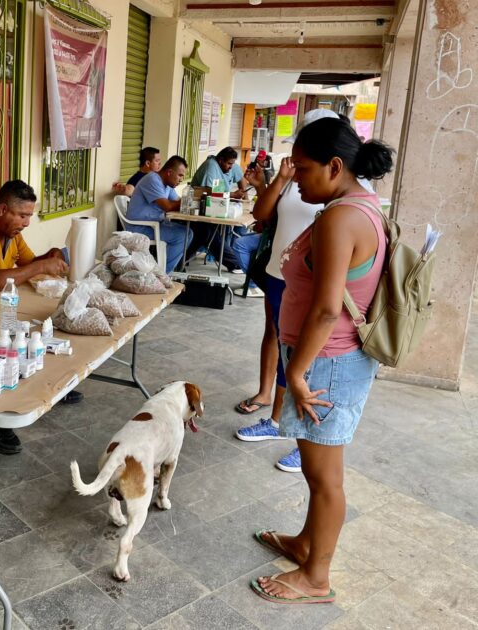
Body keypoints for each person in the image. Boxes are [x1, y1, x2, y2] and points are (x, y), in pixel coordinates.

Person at [251, 117, 393, 604]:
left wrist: (294, 370)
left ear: (336, 166)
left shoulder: (339, 217)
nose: (298, 177)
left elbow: (329, 307)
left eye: (305, 169)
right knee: (317, 470)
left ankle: (317, 578)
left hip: (327, 362)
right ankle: (307, 543)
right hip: (330, 358)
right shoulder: (359, 205)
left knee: (325, 476)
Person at [235, 110, 338, 473]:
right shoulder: (297, 173)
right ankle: (276, 414)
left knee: (306, 355)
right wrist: (280, 179)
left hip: (311, 281)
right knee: (278, 338)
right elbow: (263, 214)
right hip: (279, 272)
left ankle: (302, 436)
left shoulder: (332, 181)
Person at [0, 179, 81, 455]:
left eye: (29, 216)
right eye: (22, 215)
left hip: (2, 307)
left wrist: (53, 255)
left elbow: (27, 264)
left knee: (39, 332)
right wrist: (42, 265)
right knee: (6, 347)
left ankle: (48, 389)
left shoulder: (11, 233)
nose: (26, 223)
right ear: (2, 210)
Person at [125, 155, 189, 273]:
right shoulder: (152, 180)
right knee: (183, 235)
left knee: (188, 232)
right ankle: (162, 274)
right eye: (180, 175)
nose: (181, 179)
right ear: (169, 172)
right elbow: (168, 206)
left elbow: (176, 201)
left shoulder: (167, 185)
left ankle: (162, 269)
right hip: (140, 227)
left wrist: (186, 201)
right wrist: (188, 199)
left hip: (154, 224)